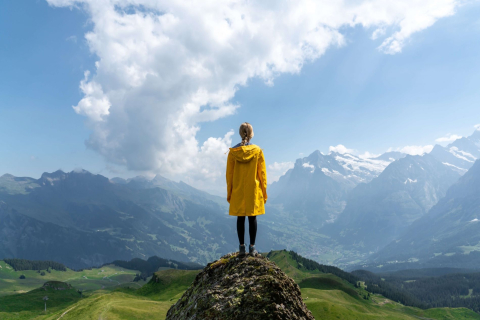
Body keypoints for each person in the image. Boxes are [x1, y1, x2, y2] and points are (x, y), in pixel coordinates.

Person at [226, 122, 268, 256]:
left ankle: (242, 248)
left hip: (238, 188)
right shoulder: (257, 151)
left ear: (240, 133)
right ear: (251, 134)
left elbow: (229, 175)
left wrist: (230, 192)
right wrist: (264, 192)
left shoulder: (233, 153)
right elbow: (262, 174)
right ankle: (252, 248)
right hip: (253, 190)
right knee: (252, 217)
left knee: (240, 217)